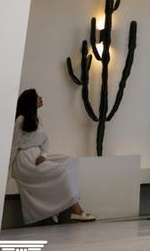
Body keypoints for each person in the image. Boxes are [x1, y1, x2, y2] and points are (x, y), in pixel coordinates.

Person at [10, 89, 95, 224]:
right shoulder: (21, 120)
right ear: (31, 101)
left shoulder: (38, 119)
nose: (41, 98)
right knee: (60, 171)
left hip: (38, 156)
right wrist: (8, 168)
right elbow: (14, 145)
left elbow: (45, 142)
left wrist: (43, 155)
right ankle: (76, 211)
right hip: (25, 161)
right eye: (37, 96)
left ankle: (67, 208)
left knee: (71, 161)